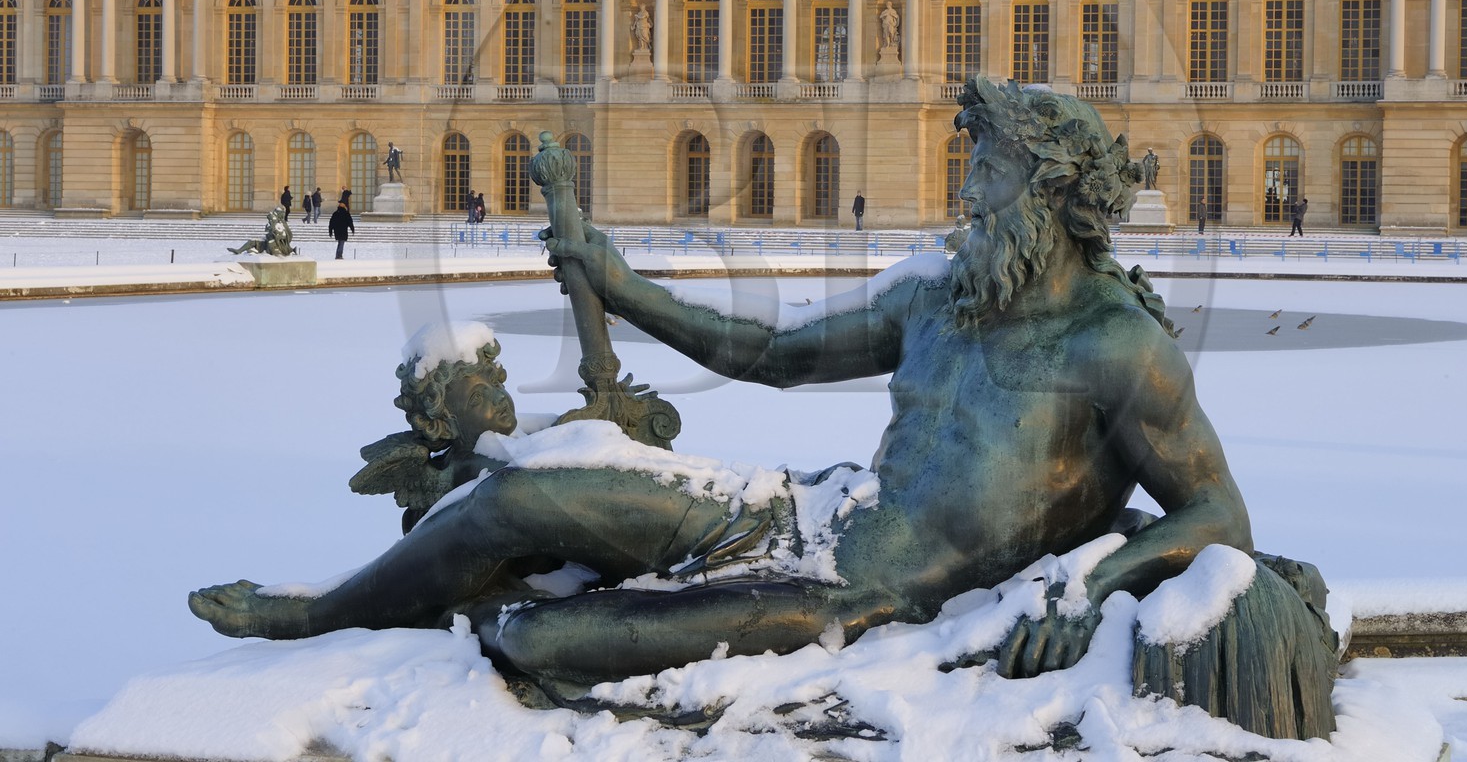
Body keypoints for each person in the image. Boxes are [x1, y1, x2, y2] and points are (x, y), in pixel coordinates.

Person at [190, 78, 1251, 692]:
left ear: (1050, 188)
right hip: (806, 508)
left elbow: (1218, 512)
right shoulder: (936, 297)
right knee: (511, 496)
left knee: (533, 640)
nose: (965, 187)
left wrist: (1095, 579)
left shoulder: (1119, 345)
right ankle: (315, 614)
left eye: (989, 168)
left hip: (856, 596)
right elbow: (768, 353)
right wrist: (621, 283)